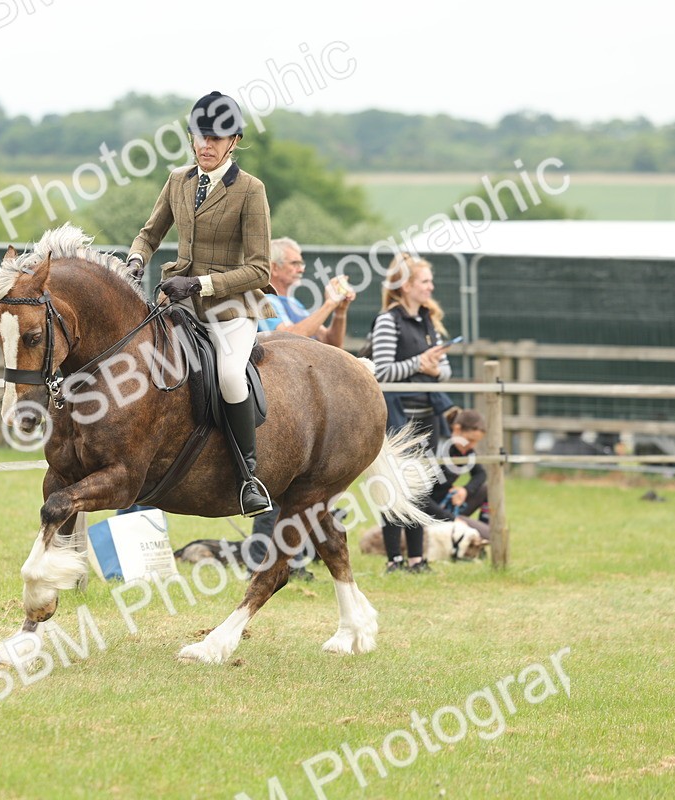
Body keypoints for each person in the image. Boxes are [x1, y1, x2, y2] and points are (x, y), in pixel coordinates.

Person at [126, 91, 273, 517]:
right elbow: (149, 234)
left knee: (229, 377)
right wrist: (135, 261)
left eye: (216, 138)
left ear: (234, 141)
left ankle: (248, 478)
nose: (206, 145)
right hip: (178, 301)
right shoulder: (178, 180)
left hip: (232, 308)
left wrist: (200, 284)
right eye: (200, 136)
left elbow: (260, 268)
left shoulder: (250, 190)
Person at [245, 237, 356, 578]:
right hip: (274, 399)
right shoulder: (264, 299)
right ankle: (262, 563)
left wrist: (339, 311)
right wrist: (327, 303)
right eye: (295, 263)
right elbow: (290, 336)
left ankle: (292, 563)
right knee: (275, 481)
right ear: (274, 267)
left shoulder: (292, 302)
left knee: (302, 485)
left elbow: (331, 343)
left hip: (300, 403)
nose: (301, 268)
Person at [369, 253, 453, 574]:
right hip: (397, 416)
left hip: (427, 416)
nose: (431, 287)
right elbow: (382, 370)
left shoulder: (430, 321)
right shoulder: (388, 321)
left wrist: (433, 368)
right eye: (425, 281)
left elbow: (445, 371)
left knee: (421, 485)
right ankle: (394, 558)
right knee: (394, 485)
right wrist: (420, 363)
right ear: (405, 286)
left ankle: (418, 558)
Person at [425, 409, 491, 541]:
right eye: (470, 440)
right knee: (490, 535)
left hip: (448, 506)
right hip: (430, 514)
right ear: (457, 429)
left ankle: (482, 533)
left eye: (476, 442)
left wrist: (465, 490)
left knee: (487, 489)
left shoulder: (465, 450)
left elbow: (481, 474)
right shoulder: (436, 448)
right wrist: (452, 519)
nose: (472, 446)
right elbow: (420, 499)